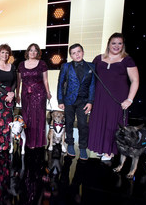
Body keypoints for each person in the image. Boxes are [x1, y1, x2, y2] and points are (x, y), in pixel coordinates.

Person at [88, 33, 139, 161]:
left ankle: (108, 152)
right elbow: (90, 79)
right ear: (108, 44)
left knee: (112, 125)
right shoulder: (98, 59)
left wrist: (130, 99)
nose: (116, 46)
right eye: (114, 43)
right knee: (99, 122)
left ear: (123, 45)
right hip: (99, 98)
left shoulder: (127, 60)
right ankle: (100, 148)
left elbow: (135, 80)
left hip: (117, 99)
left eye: (119, 43)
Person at [57, 43, 95, 160]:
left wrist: (90, 101)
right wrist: (60, 100)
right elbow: (60, 83)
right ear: (71, 56)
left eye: (78, 51)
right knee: (69, 122)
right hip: (69, 100)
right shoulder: (66, 66)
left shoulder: (91, 66)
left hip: (83, 101)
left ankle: (83, 147)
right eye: (73, 53)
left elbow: (92, 85)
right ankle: (70, 144)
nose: (77, 54)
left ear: (83, 52)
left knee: (83, 124)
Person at [0, 44, 17, 205]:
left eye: (7, 53)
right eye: (2, 52)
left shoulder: (12, 66)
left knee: (9, 122)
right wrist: (5, 93)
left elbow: (14, 82)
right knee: (0, 121)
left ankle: (7, 145)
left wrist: (12, 93)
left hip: (10, 96)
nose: (5, 55)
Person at [16, 43, 52, 150]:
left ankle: (37, 141)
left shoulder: (42, 64)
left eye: (35, 50)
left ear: (38, 53)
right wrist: (17, 94)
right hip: (25, 93)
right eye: (31, 50)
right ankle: (26, 140)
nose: (33, 52)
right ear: (27, 52)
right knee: (26, 116)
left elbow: (45, 80)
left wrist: (48, 92)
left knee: (38, 117)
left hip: (39, 93)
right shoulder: (21, 65)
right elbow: (18, 82)